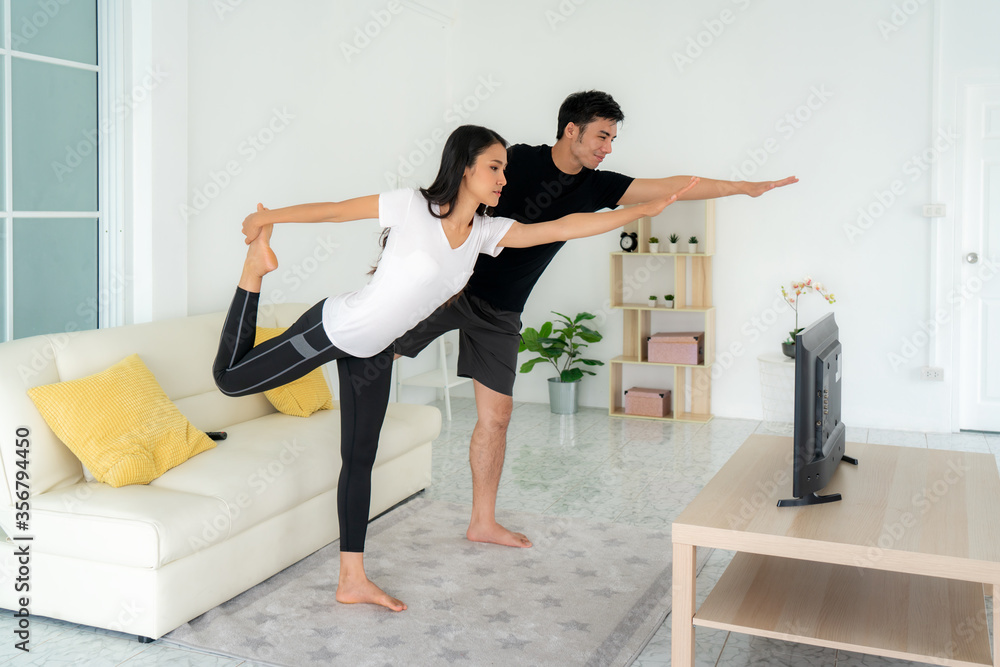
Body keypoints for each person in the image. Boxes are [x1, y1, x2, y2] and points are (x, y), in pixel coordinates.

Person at [213, 124, 697, 611]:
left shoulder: (484, 233)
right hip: (334, 328)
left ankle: (352, 579)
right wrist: (267, 220)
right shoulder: (412, 206)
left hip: (375, 351)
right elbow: (336, 210)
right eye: (493, 167)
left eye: (505, 169)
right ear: (464, 167)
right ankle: (253, 272)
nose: (503, 177)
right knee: (230, 380)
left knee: (359, 461)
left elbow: (562, 227)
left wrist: (638, 211)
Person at [393, 91, 799, 549]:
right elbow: (448, 193)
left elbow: (673, 184)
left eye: (613, 138)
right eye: (602, 136)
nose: (608, 147)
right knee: (375, 348)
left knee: (498, 417)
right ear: (572, 130)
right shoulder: (515, 162)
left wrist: (742, 188)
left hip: (500, 310)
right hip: (447, 288)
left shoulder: (597, 185)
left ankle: (482, 521)